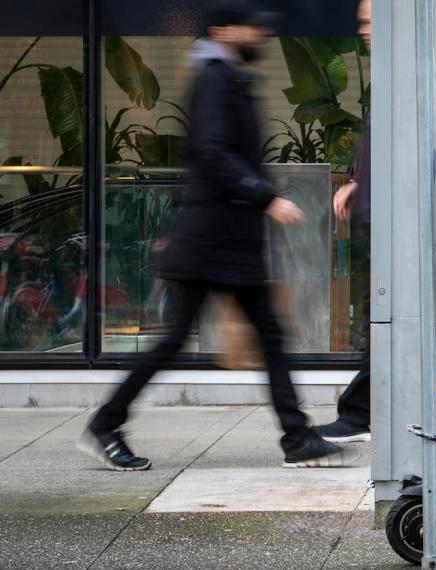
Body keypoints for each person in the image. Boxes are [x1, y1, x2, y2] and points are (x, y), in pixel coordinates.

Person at [77, 0, 351, 471]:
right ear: (225, 31)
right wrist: (266, 196)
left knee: (266, 334)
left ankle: (297, 437)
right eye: (252, 29)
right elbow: (212, 152)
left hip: (228, 242)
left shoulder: (229, 77)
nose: (261, 37)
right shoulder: (213, 80)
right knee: (179, 340)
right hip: (209, 242)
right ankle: (105, 424)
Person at [314, 0, 373, 444]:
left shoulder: (411, 71)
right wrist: (356, 181)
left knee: (385, 316)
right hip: (379, 215)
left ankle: (357, 413)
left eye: (370, 20)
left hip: (400, 224)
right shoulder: (391, 74)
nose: (363, 29)